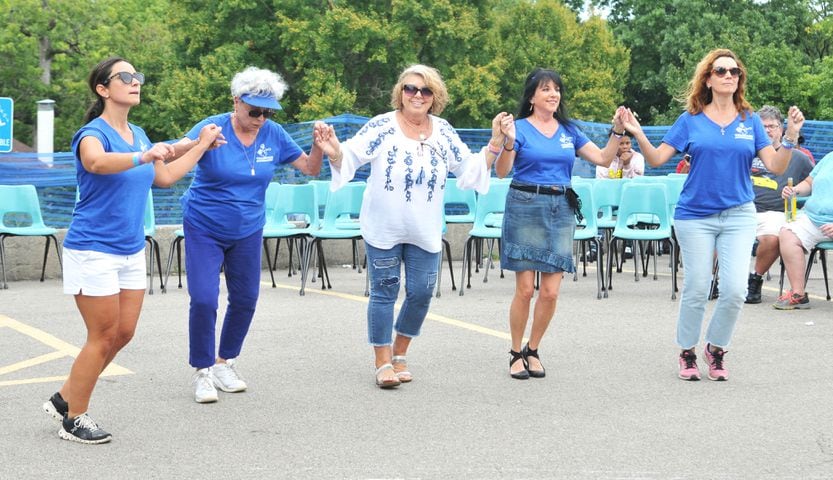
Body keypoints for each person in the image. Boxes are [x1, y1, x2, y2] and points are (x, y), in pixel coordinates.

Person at [43, 57, 222, 444]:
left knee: (123, 333)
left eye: (137, 76)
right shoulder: (93, 133)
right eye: (125, 77)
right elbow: (95, 162)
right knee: (102, 335)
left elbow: (166, 174)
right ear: (103, 89)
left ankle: (64, 397)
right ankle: (74, 419)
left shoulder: (138, 133)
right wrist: (144, 155)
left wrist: (200, 145)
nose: (135, 81)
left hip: (128, 250)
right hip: (92, 250)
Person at [313, 64, 504, 388]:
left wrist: (496, 141)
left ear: (435, 97)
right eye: (411, 89)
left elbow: (470, 168)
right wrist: (333, 152)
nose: (417, 95)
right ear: (400, 93)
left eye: (425, 90)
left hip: (424, 230)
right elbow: (350, 157)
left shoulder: (443, 131)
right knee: (384, 291)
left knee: (420, 293)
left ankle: (400, 352)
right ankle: (382, 361)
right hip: (383, 229)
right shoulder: (382, 126)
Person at [621, 48, 804, 381]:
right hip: (695, 216)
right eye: (721, 71)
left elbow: (776, 166)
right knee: (697, 287)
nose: (729, 76)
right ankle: (687, 351)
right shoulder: (690, 119)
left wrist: (790, 135)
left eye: (734, 71)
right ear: (708, 78)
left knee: (734, 290)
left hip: (738, 214)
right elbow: (658, 159)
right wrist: (637, 132)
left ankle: (715, 349)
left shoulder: (749, 121)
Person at [176, 66, 324, 403]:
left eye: (266, 112)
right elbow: (175, 152)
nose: (260, 118)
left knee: (245, 300)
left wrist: (319, 146)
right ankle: (202, 371)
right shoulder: (212, 126)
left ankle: (224, 362)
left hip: (248, 228)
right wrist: (199, 145)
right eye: (253, 110)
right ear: (236, 101)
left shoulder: (273, 133)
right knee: (203, 298)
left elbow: (310, 168)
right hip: (204, 225)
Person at [495, 68, 625, 380]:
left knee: (551, 291)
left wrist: (618, 131)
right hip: (525, 204)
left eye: (556, 89)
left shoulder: (569, 130)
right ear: (531, 96)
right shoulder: (519, 129)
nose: (554, 94)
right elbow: (501, 171)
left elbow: (604, 159)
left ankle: (533, 349)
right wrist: (509, 143)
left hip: (560, 209)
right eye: (545, 89)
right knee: (525, 289)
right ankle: (515, 352)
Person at [745, 105, 813, 304]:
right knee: (715, 227)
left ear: (781, 129)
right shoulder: (745, 153)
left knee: (773, 236)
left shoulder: (799, 158)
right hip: (742, 208)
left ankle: (754, 279)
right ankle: (712, 281)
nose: (767, 130)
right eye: (763, 126)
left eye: (772, 126)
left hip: (775, 212)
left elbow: (815, 182)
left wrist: (796, 192)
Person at [773, 151, 833, 309]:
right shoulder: (829, 157)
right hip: (814, 218)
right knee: (788, 233)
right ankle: (798, 294)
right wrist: (794, 190)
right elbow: (809, 182)